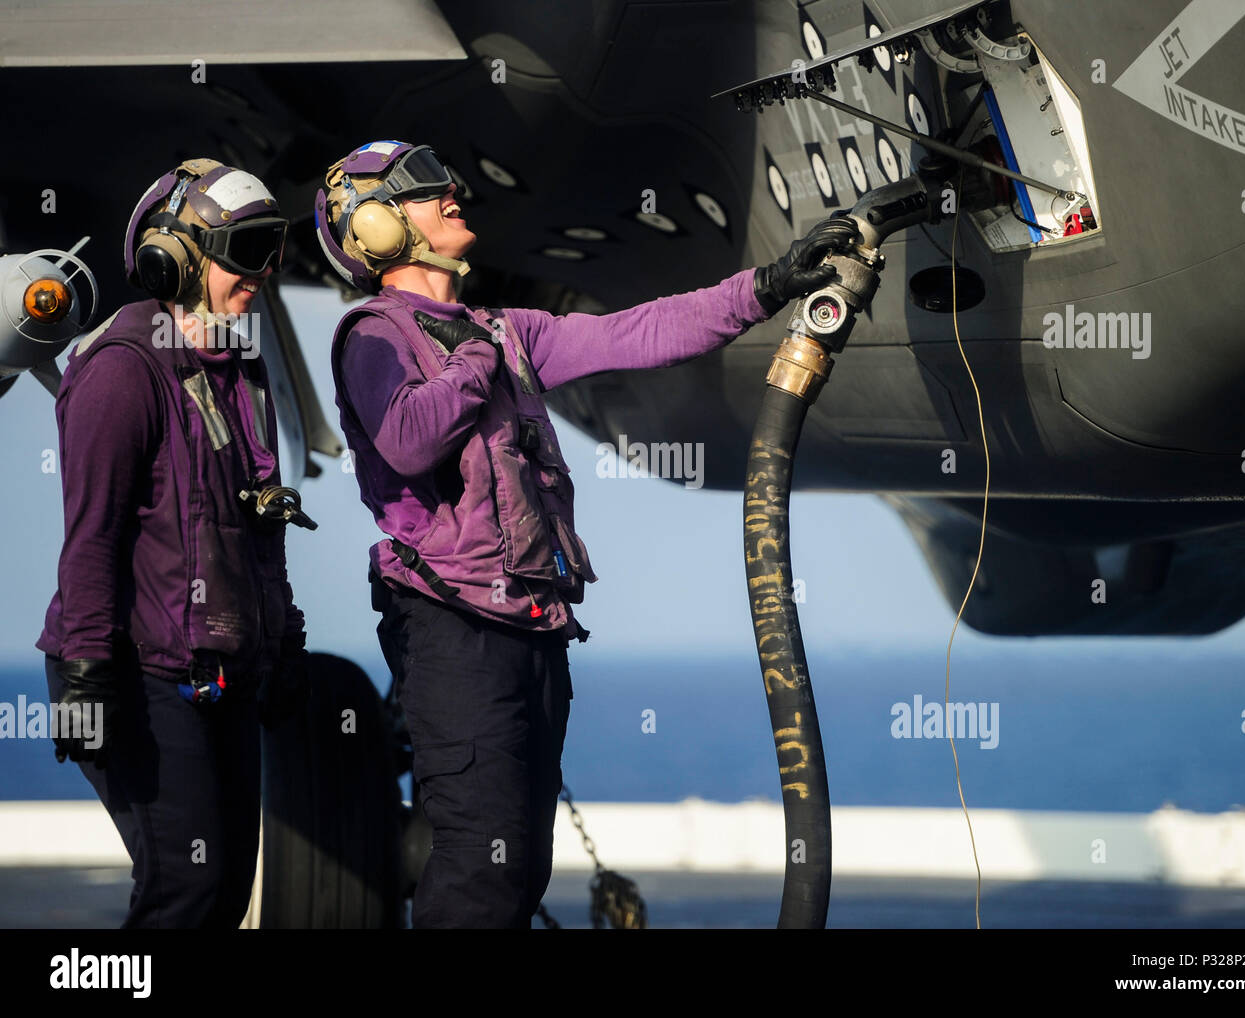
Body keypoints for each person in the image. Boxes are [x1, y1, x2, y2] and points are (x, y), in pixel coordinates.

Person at [314, 139, 861, 928]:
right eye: (428, 190)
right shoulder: (374, 335)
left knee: (520, 868)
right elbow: (407, 439)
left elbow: (640, 332)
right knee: (478, 868)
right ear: (373, 228)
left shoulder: (505, 330)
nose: (455, 192)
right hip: (452, 632)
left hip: (531, 628)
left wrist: (768, 286)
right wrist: (473, 363)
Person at [38, 158, 311, 928]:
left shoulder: (241, 367)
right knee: (184, 892)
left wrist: (282, 644)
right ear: (176, 256)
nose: (262, 272)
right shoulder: (123, 370)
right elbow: (90, 537)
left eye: (272, 249)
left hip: (215, 672)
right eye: (244, 249)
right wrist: (89, 677)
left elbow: (263, 529)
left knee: (222, 895)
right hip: (132, 671)